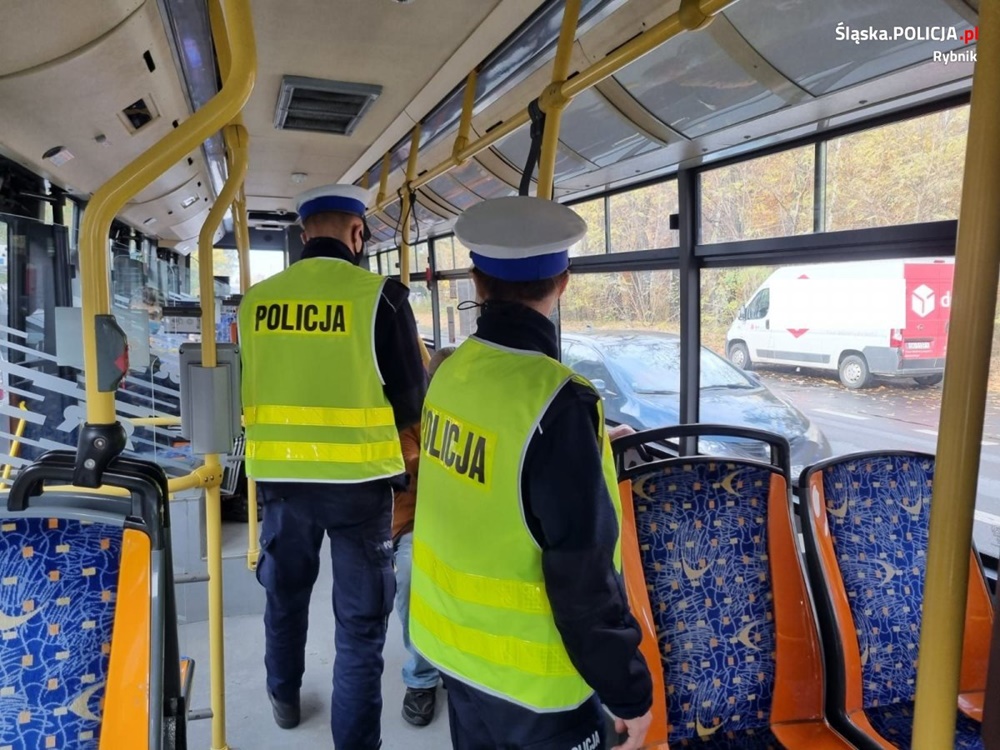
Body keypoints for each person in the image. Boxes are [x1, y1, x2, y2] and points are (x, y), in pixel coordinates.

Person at [410, 195, 653, 750]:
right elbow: (583, 580)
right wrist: (628, 692)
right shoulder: (560, 404)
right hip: (534, 684)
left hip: (452, 647)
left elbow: (495, 480)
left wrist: (590, 452)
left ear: (476, 282)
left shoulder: (447, 373)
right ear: (563, 283)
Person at [237, 184, 426, 750]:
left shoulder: (254, 303)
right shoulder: (383, 298)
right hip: (360, 489)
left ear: (302, 234)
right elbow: (412, 402)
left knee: (285, 597)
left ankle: (284, 698)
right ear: (358, 233)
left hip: (282, 484)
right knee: (360, 628)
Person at [392, 346, 454, 727]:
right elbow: (411, 465)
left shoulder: (482, 418)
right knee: (411, 574)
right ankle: (421, 677)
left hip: (469, 520)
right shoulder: (410, 423)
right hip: (416, 522)